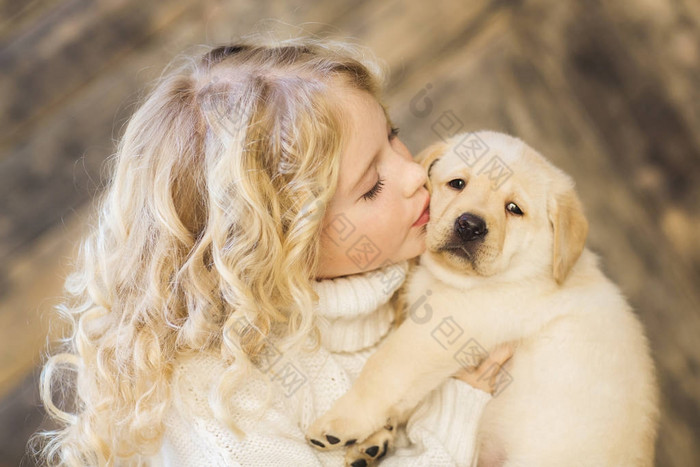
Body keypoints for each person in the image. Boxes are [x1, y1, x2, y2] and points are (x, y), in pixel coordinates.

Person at [30, 34, 514, 467]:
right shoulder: (220, 396)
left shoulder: (424, 270)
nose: (414, 174)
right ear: (282, 246)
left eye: (394, 136)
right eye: (371, 187)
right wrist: (461, 403)